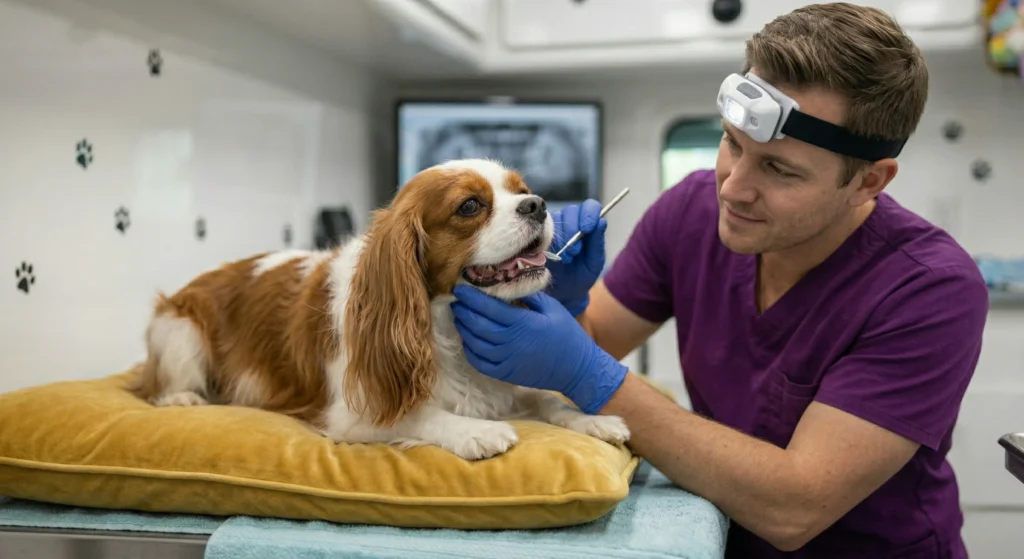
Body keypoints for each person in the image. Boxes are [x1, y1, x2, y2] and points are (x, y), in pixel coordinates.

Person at [449, 3, 989, 558]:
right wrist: (564, 300)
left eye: (779, 169)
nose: (732, 189)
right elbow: (573, 357)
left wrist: (595, 377)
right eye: (732, 143)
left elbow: (795, 506)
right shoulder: (691, 211)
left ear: (867, 180)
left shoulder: (930, 290)